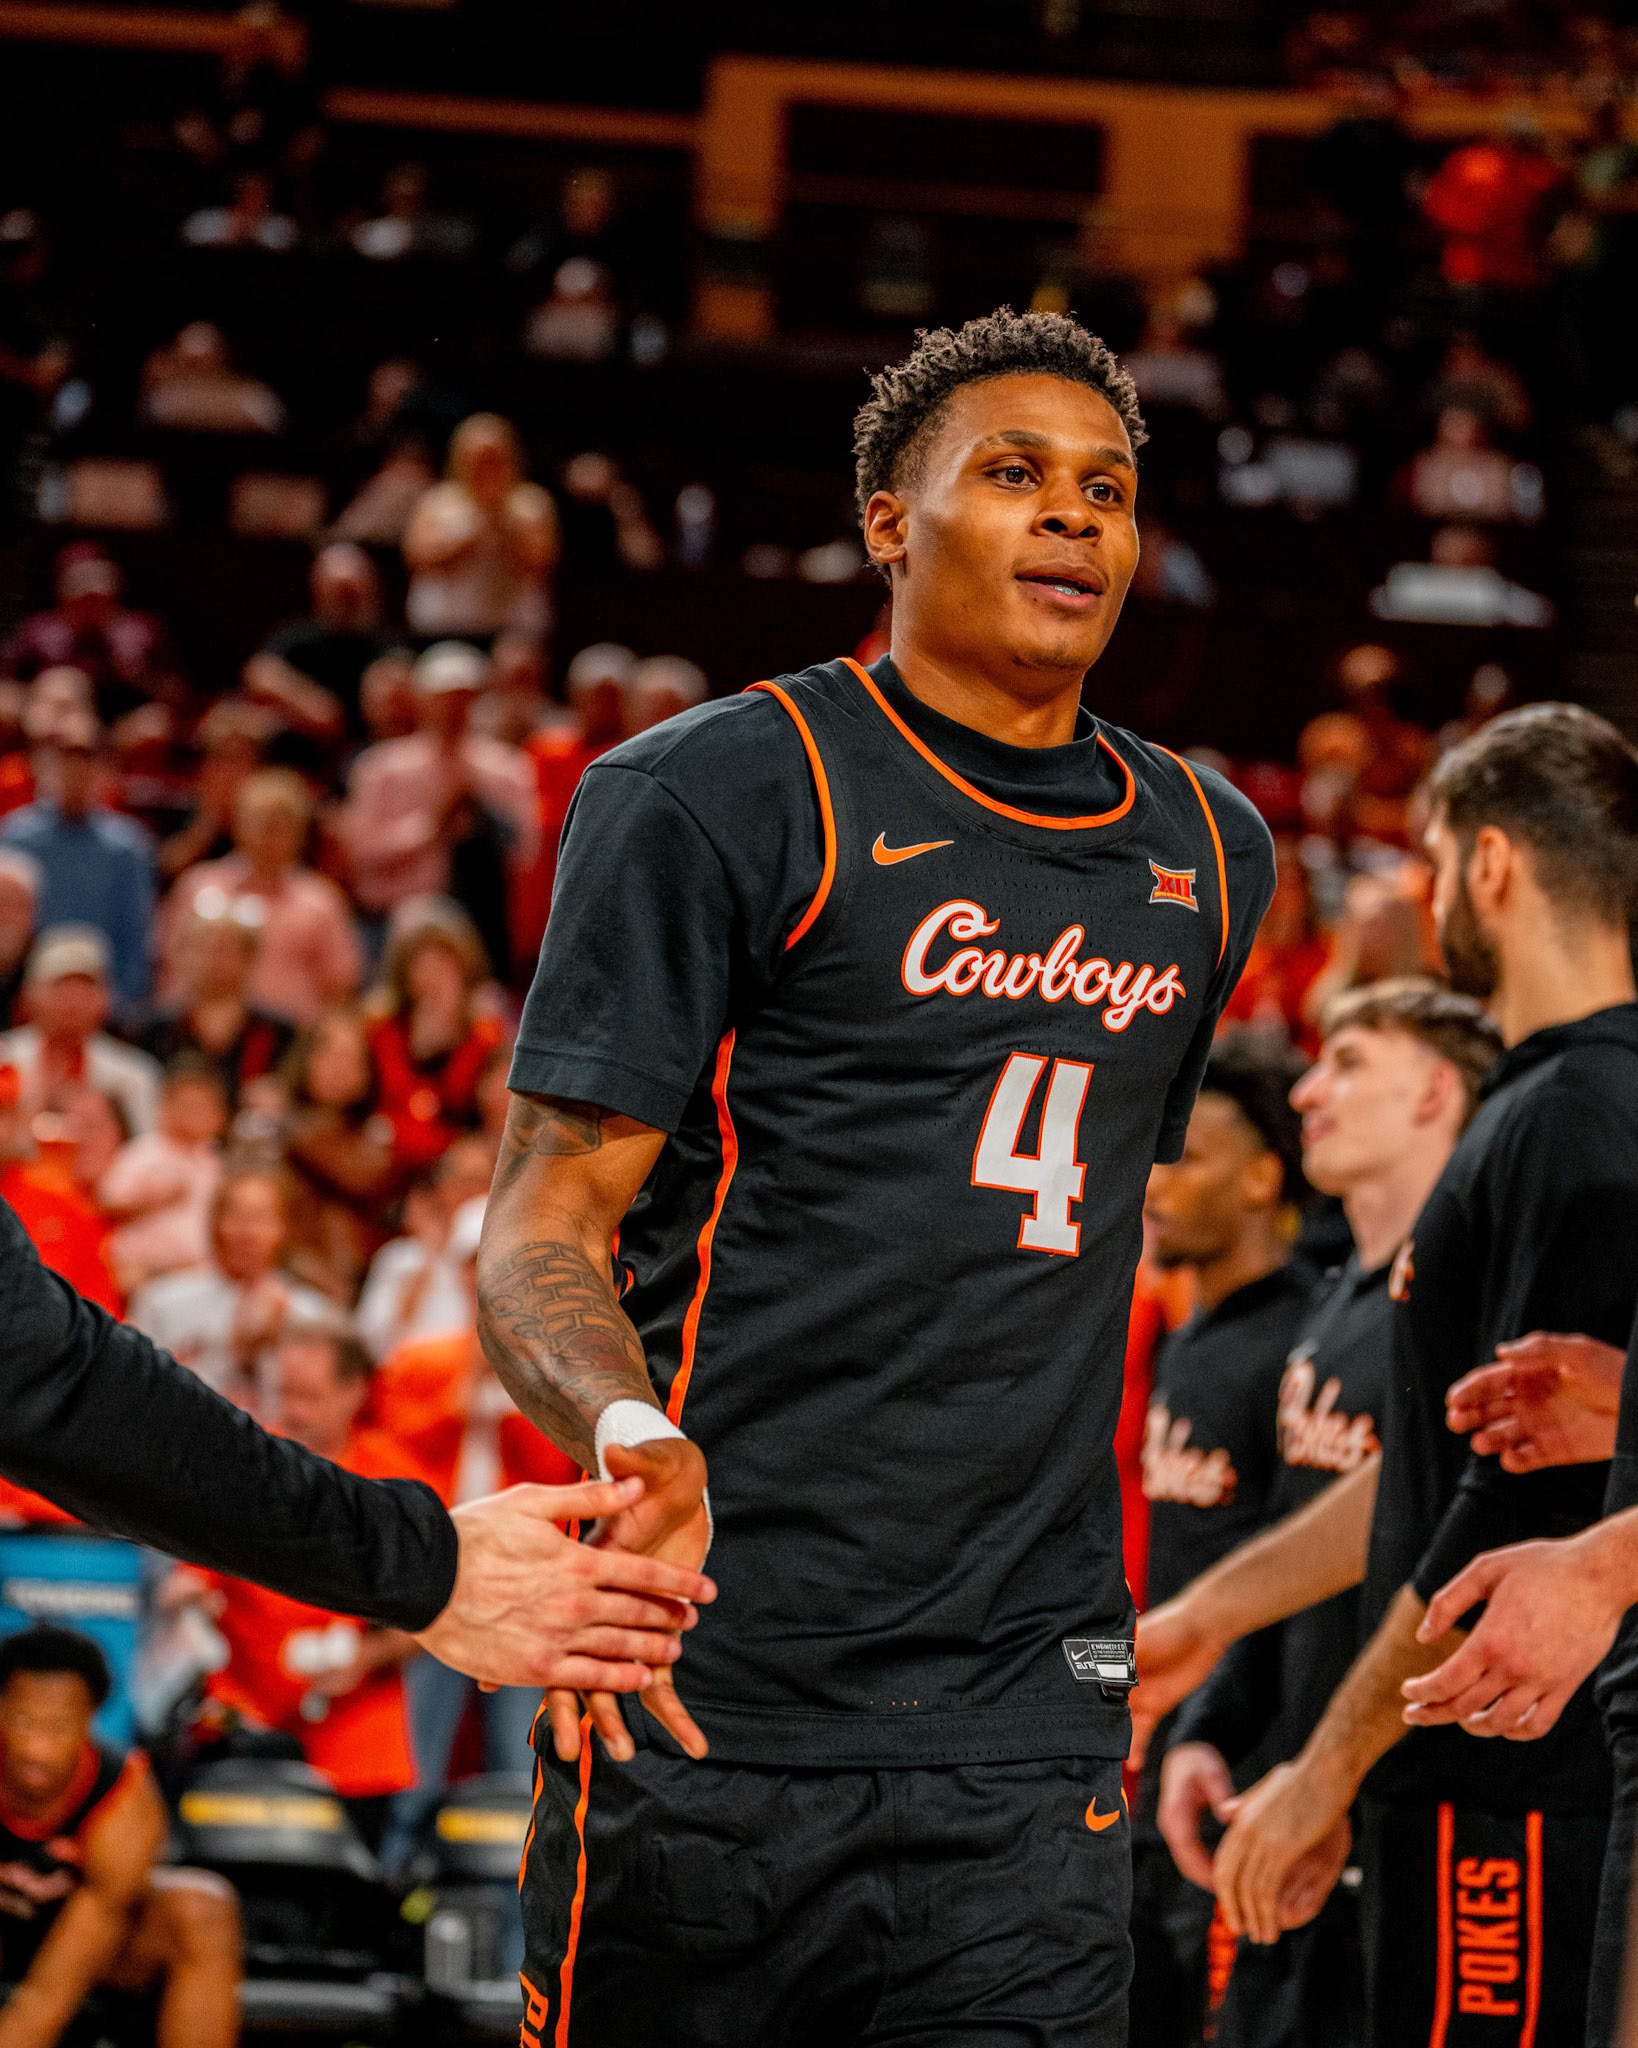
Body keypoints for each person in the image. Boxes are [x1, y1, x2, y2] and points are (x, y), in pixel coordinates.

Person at [475, 309, 1277, 2043]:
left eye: (1107, 489)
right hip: (714, 1681)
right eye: (1011, 474)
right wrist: (627, 1432)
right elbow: (543, 1213)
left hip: (1025, 1712)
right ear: (887, 521)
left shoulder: (1214, 848)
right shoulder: (712, 790)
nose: (1073, 517)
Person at [1205, 704, 1638, 2047]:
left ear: (1492, 865)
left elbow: (1503, 1501)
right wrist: (1188, 1629)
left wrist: (1320, 1763)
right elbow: (1433, 1462)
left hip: (1511, 1769)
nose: (1434, 896)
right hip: (1471, 1761)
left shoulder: (1574, 1114)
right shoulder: (1544, 1103)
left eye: (1437, 865)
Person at [1151, 979, 1499, 2048]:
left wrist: (1332, 1767)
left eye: (1351, 1061)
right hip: (1298, 1799)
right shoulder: (1336, 1298)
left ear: (1439, 1090)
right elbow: (1287, 1546)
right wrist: (1211, 1726)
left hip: (1431, 1808)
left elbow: (1444, 1538)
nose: (1310, 1090)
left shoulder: (1478, 1299)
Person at [1132, 1040, 1315, 2046]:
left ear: (1260, 1176)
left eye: (1189, 1157)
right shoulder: (1188, 1330)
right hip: (1162, 1737)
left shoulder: (1300, 1335)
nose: (1158, 1183)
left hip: (1243, 1758)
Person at [174, 1322, 424, 1848]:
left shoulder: (394, 1482)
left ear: (355, 1391)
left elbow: (435, 1612)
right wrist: (187, 1603)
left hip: (355, 1738)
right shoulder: (250, 1461)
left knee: (352, 1902)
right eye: (285, 1394)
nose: (296, 1412)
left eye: (309, 1397)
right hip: (246, 1723)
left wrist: (367, 1657)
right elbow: (190, 1576)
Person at [374, 1198, 580, 1825]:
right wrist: (460, 1400)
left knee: (521, 1750)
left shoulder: (555, 1375)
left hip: (526, 1574)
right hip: (438, 1566)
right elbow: (389, 1454)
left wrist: (512, 1400)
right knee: (415, 1748)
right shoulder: (418, 1362)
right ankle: (397, 1878)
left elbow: (561, 1473)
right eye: (475, 1266)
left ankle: (517, 1887)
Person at [0, 1625, 240, 2048]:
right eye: (25, 1721)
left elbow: (49, 1992)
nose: (37, 1748)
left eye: (57, 1728)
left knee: (203, 1909)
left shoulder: (122, 1797)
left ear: (90, 1717)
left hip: (81, 1944)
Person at [338, 643, 538, 975]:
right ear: (420, 699)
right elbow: (361, 851)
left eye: (464, 697)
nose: (454, 707)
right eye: (443, 696)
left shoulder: (506, 768)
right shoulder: (382, 769)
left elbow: (525, 851)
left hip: (483, 928)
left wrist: (484, 819)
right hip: (395, 926)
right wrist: (431, 827)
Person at [163, 768, 360, 1028]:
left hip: (293, 1046)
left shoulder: (320, 900)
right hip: (204, 1041)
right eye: (262, 822)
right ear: (237, 824)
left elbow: (339, 989)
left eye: (282, 825)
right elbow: (172, 966)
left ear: (300, 833)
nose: (270, 834)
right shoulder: (200, 885)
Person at [126, 1163, 333, 1410]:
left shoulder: (311, 1316)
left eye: (260, 1218)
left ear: (283, 1229)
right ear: (215, 1224)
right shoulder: (161, 1300)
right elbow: (133, 1386)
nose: (247, 1233)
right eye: (236, 1216)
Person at [1, 713, 156, 1010]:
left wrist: (118, 1007)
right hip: (18, 1002)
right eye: (65, 763)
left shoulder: (127, 846)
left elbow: (136, 935)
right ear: (44, 767)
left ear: (103, 771)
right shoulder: (14, 837)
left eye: (86, 764)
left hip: (101, 1004)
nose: (75, 774)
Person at [362, 898, 508, 1177]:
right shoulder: (381, 1031)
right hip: (387, 1167)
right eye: (422, 967)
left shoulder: (486, 1037)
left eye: (443, 965)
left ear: (465, 970)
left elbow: (490, 1122)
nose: (433, 979)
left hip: (460, 1168)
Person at [278, 1007, 402, 1304]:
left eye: (353, 1059)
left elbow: (371, 1199)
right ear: (305, 1059)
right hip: (283, 1281)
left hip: (362, 1288)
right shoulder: (263, 1132)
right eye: (329, 1054)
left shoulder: (377, 1139)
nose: (340, 1068)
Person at [402, 413, 558, 643]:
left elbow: (541, 564)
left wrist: (502, 526)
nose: (486, 470)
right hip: (447, 628)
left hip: (514, 630)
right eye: (478, 460)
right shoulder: (437, 502)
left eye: (494, 460)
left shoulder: (531, 504)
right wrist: (470, 535)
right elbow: (419, 559)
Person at [137, 895, 294, 1109]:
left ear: (250, 957)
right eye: (202, 947)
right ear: (182, 954)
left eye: (225, 949)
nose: (212, 959)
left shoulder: (279, 1031)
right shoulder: (153, 1028)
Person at [1, 926, 161, 1135]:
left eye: (85, 988)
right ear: (29, 995)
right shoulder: (4, 1057)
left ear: (106, 998)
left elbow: (144, 1153)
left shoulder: (135, 1077)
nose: (73, 1000)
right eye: (61, 986)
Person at [0, 545, 179, 725]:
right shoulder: (40, 632)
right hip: (56, 726)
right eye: (83, 600)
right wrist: (45, 691)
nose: (92, 608)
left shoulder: (140, 632)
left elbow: (179, 697)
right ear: (64, 598)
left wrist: (140, 675)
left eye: (100, 599)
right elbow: (6, 687)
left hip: (124, 728)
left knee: (155, 725)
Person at [241, 542, 390, 753]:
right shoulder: (298, 637)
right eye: (339, 593)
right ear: (318, 591)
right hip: (295, 754)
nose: (347, 602)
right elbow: (259, 672)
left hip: (367, 754)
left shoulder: (386, 646)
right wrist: (312, 706)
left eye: (352, 593)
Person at [98, 1056, 226, 1293]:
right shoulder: (145, 1152)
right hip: (142, 1270)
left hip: (199, 1272)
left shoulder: (216, 1163)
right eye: (184, 1105)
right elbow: (107, 1203)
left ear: (218, 1118)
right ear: (163, 1108)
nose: (191, 1115)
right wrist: (153, 1200)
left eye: (200, 1108)